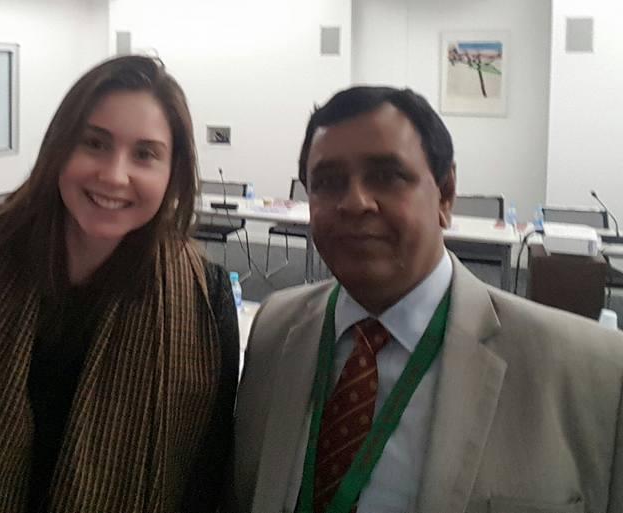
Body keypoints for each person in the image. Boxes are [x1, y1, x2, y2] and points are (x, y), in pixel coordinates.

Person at [228, 86, 623, 513]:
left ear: (445, 194)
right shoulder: (275, 330)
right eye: (327, 182)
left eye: (386, 176)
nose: (355, 202)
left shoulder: (594, 372)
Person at [0, 55, 239, 513]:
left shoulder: (205, 297)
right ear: (59, 147)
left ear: (173, 172)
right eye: (94, 143)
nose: (114, 175)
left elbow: (204, 477)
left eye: (145, 154)